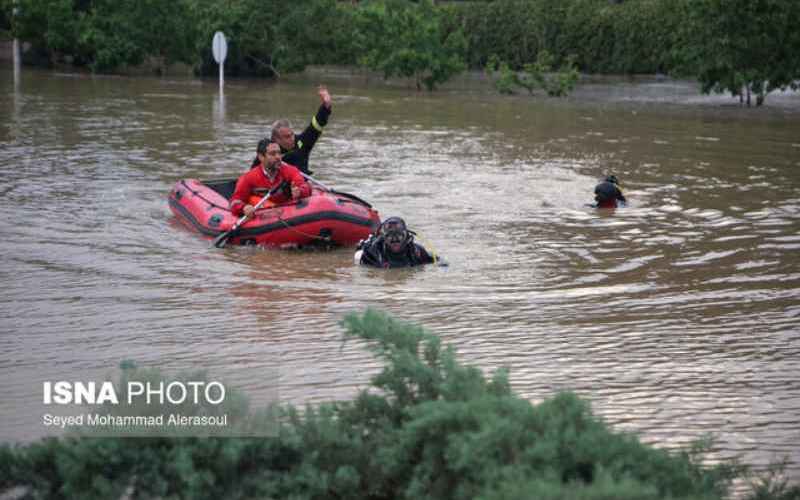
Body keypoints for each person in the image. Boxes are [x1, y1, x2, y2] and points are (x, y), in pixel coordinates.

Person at [252, 85, 332, 176]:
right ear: (276, 139)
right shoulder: (267, 151)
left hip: (301, 185)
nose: (292, 138)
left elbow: (316, 126)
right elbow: (252, 175)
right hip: (277, 186)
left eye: (292, 134)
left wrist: (326, 106)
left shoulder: (301, 142)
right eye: (287, 137)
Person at [230, 139, 311, 217]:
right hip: (264, 217)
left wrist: (300, 192)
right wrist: (244, 208)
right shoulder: (249, 178)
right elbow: (235, 202)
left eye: (279, 153)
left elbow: (306, 187)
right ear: (261, 157)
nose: (278, 157)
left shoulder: (290, 171)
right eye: (272, 154)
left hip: (288, 212)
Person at [355, 217, 440, 268]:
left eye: (399, 236)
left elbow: (438, 260)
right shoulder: (374, 251)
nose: (395, 241)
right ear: (384, 238)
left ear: (406, 236)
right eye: (390, 237)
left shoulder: (416, 251)